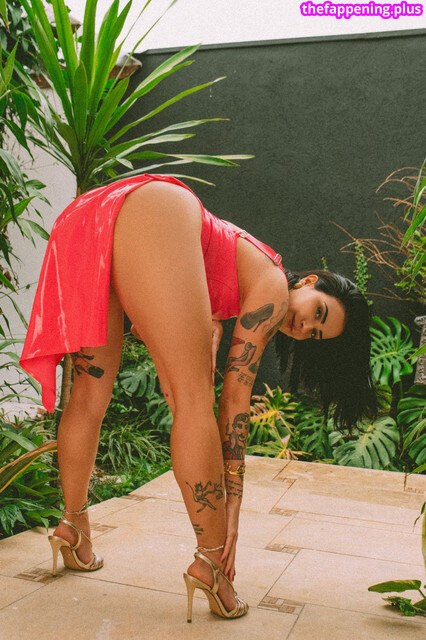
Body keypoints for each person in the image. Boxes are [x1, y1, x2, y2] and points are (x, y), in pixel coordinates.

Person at [19, 174, 378, 621]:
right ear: (309, 281)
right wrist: (233, 510)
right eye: (317, 312)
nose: (304, 326)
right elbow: (234, 402)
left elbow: (187, 288)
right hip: (159, 211)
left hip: (96, 213)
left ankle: (74, 526)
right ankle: (212, 564)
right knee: (194, 400)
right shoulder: (271, 285)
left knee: (90, 392)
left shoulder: (247, 276)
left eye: (315, 334)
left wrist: (208, 324)